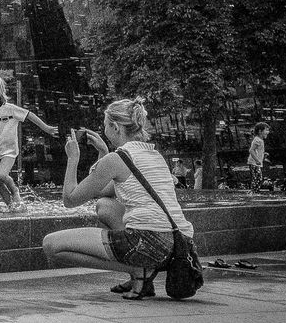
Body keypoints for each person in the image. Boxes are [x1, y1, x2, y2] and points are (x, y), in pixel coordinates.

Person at [43, 97, 195, 300]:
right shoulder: (153, 155)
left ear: (114, 127)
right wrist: (103, 152)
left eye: (105, 125)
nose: (103, 129)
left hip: (148, 241)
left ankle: (138, 271)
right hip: (178, 244)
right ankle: (141, 277)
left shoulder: (117, 159)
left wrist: (72, 160)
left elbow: (70, 200)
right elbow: (103, 192)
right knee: (104, 206)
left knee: (51, 246)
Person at [0, 74, 58, 212]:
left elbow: (29, 115)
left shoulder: (9, 109)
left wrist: (45, 127)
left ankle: (15, 192)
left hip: (9, 151)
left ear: (0, 93)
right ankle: (11, 207)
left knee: (2, 175)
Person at [247, 122, 270, 193]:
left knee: (257, 178)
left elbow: (257, 150)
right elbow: (251, 150)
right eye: (266, 130)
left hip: (256, 163)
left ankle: (254, 192)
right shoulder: (257, 140)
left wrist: (263, 154)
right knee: (257, 178)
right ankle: (253, 192)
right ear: (260, 131)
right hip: (254, 163)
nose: (268, 132)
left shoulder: (260, 140)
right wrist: (257, 160)